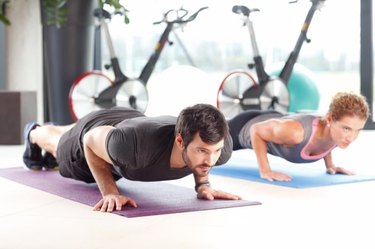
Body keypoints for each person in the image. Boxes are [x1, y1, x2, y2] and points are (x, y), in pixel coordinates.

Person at [23, 104, 241, 212]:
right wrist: (110, 192)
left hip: (126, 123)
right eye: (202, 151)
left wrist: (203, 185)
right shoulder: (134, 147)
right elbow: (90, 140)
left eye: (215, 151)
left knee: (85, 134)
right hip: (97, 136)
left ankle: (66, 128)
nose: (211, 160)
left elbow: (209, 151)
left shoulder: (221, 146)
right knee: (57, 146)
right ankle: (33, 132)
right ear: (180, 141)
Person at [228, 91, 370, 182]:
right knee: (210, 144)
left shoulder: (336, 133)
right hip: (242, 128)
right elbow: (256, 130)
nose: (351, 137)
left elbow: (327, 138)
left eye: (358, 130)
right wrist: (265, 170)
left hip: (275, 119)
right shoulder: (296, 133)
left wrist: (331, 165)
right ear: (330, 119)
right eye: (347, 129)